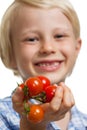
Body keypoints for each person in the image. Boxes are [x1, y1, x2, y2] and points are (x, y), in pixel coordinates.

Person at [0, 0, 87, 129]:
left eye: (59, 36)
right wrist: (33, 124)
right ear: (9, 54)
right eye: (31, 39)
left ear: (76, 48)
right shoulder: (3, 115)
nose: (47, 47)